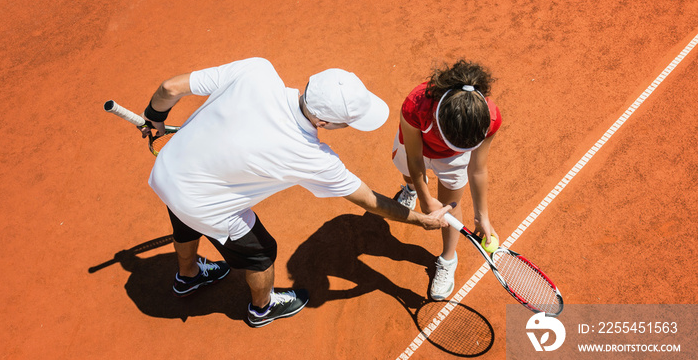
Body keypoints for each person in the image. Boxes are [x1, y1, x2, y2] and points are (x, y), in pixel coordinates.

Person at [140, 57, 452, 327]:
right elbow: (370, 200)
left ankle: (190, 275)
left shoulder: (257, 71)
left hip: (170, 171)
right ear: (325, 122)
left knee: (184, 214)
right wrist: (419, 220)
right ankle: (261, 309)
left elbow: (169, 89)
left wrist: (155, 115)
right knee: (261, 253)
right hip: (202, 201)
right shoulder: (312, 157)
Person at [392, 59, 502, 301]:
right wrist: (423, 197)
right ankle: (409, 189)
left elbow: (477, 169)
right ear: (439, 119)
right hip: (416, 149)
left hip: (454, 160)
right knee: (410, 173)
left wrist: (482, 215)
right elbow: (414, 156)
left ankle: (448, 258)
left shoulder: (489, 118)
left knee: (450, 205)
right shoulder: (416, 104)